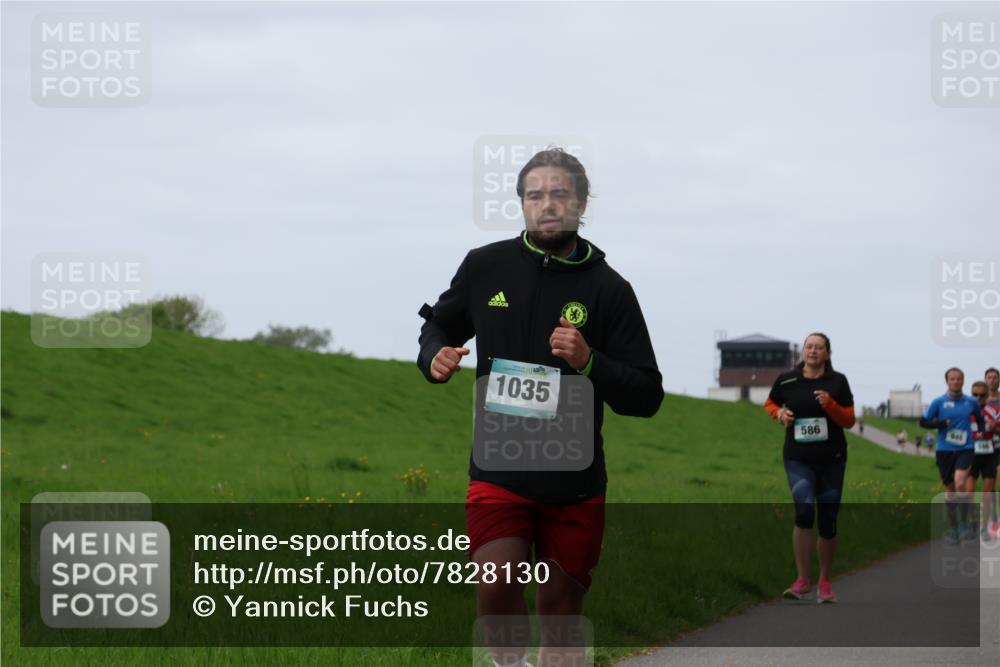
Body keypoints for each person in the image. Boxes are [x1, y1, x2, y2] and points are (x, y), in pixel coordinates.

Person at [417, 148, 663, 667]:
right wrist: (433, 355)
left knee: (559, 611)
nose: (547, 204)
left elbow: (646, 395)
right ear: (522, 203)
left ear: (581, 203)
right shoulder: (486, 266)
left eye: (559, 194)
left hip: (573, 482)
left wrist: (590, 361)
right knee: (495, 582)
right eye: (535, 195)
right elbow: (438, 323)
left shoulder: (609, 289)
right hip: (499, 469)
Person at [764, 333, 856, 604]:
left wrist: (831, 405)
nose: (813, 351)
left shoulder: (837, 382)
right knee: (804, 511)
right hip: (798, 457)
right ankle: (802, 580)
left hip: (832, 458)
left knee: (828, 520)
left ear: (827, 353)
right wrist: (780, 414)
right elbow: (770, 403)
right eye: (809, 346)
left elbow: (849, 420)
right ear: (803, 351)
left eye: (819, 347)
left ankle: (825, 582)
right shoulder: (787, 380)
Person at [920, 368, 985, 544]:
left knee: (960, 482)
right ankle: (954, 528)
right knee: (950, 490)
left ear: (963, 381)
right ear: (947, 381)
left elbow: (980, 419)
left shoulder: (971, 402)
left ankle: (964, 523)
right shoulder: (938, 402)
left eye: (958, 379)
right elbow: (923, 422)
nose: (955, 381)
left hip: (966, 448)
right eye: (952, 379)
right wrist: (940, 424)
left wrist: (980, 431)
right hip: (944, 450)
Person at [969, 381, 1000, 542]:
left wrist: (995, 428)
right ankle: (972, 523)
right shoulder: (966, 411)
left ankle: (983, 528)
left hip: (989, 454)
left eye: (982, 395)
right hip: (971, 454)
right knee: (969, 492)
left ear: (987, 396)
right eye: (975, 395)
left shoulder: (995, 411)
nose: (978, 398)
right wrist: (974, 436)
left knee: (987, 492)